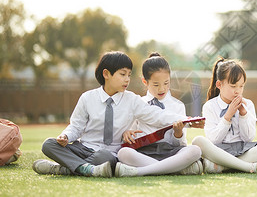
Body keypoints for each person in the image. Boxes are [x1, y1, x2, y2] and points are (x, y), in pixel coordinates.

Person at [32, 51, 190, 177]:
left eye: (129, 74)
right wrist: (66, 136)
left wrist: (187, 120)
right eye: (122, 74)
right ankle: (83, 168)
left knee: (106, 159)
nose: (127, 79)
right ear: (106, 74)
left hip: (109, 153)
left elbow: (158, 115)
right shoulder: (88, 98)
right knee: (49, 144)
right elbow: (76, 126)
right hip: (83, 147)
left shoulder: (132, 100)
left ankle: (64, 169)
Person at [115, 52, 203, 176]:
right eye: (156, 84)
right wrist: (126, 133)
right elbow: (130, 134)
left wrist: (178, 134)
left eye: (166, 83)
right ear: (145, 82)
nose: (162, 89)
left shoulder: (178, 105)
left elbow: (180, 144)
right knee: (123, 153)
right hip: (144, 152)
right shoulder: (138, 103)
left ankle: (141, 171)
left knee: (195, 150)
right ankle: (175, 168)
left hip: (170, 152)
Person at [192, 57, 257, 173]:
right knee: (198, 141)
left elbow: (248, 138)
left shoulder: (248, 104)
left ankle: (222, 166)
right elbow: (214, 140)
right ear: (219, 84)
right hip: (220, 151)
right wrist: (228, 116)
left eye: (241, 86)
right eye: (233, 86)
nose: (237, 91)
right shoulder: (209, 106)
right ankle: (249, 167)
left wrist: (243, 114)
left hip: (243, 150)